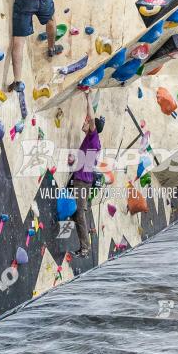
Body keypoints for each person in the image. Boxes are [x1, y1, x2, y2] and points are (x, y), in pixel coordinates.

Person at [69, 89, 105, 258]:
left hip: (82, 182)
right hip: (82, 179)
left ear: (92, 128)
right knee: (78, 213)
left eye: (88, 123)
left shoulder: (93, 137)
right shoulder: (92, 141)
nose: (84, 122)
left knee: (80, 215)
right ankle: (84, 244)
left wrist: (88, 97)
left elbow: (90, 115)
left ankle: (85, 248)